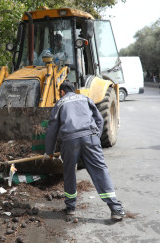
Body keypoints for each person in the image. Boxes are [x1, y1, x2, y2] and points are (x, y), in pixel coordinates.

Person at [44, 81, 125, 221]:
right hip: (91, 137)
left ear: (62, 92)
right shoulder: (85, 98)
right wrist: (95, 138)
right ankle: (116, 209)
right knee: (100, 171)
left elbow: (52, 129)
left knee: (69, 173)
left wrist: (49, 151)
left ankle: (71, 208)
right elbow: (99, 120)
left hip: (70, 140)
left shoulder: (60, 103)